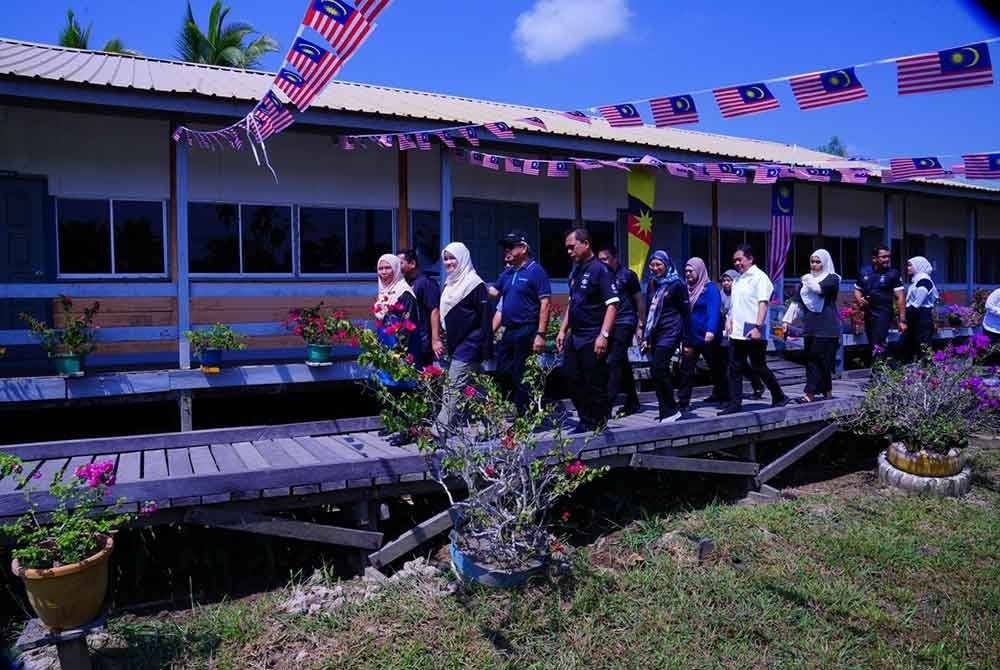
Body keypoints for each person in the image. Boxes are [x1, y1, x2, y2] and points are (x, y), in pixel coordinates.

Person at [556, 228, 619, 432]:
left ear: (585, 244)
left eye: (572, 247)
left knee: (594, 381)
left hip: (593, 334)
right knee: (571, 376)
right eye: (567, 248)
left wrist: (604, 335)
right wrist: (562, 330)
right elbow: (572, 303)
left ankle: (598, 422)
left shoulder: (601, 270)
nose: (569, 252)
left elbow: (612, 305)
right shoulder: (576, 271)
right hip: (576, 335)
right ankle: (586, 419)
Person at [720, 244, 788, 415]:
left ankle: (779, 395)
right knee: (734, 367)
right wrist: (729, 320)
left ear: (750, 259)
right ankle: (735, 403)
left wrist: (758, 327)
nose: (737, 263)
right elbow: (734, 305)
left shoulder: (760, 277)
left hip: (753, 329)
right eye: (734, 260)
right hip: (737, 331)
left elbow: (763, 304)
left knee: (759, 366)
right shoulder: (737, 279)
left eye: (740, 259)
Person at [436, 242, 493, 430]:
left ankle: (439, 430)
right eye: (445, 258)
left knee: (453, 386)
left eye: (452, 257)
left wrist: (486, 348)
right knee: (477, 388)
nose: (449, 262)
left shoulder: (474, 284)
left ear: (463, 258)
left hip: (471, 344)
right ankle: (492, 425)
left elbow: (485, 318)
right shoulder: (450, 282)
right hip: (457, 342)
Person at [492, 231, 551, 409]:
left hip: (528, 329)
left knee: (521, 373)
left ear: (523, 248)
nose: (506, 251)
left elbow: (546, 304)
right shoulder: (508, 274)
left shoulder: (536, 271)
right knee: (502, 370)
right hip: (510, 330)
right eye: (505, 247)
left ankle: (524, 414)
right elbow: (493, 293)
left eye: (510, 247)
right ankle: (513, 407)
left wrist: (540, 334)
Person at [783, 249, 841, 403]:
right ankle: (818, 393)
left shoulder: (832, 278)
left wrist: (807, 279)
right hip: (811, 326)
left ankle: (816, 392)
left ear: (825, 263)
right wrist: (786, 321)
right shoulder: (806, 282)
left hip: (828, 326)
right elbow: (796, 303)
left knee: (823, 361)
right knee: (811, 359)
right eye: (812, 261)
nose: (814, 265)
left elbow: (819, 290)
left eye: (818, 262)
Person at [640, 250, 690, 422]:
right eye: (652, 265)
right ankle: (665, 410)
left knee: (659, 368)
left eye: (658, 264)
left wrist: (687, 339)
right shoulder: (652, 284)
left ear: (667, 265)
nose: (655, 268)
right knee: (656, 371)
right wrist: (646, 337)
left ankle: (671, 409)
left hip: (672, 331)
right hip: (656, 333)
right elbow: (649, 312)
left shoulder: (677, 285)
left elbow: (685, 313)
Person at [598, 245, 644, 416]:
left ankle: (607, 406)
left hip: (625, 321)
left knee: (613, 361)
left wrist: (641, 324)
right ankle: (633, 401)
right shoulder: (601, 275)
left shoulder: (628, 275)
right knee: (621, 363)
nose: (602, 262)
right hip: (609, 323)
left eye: (605, 259)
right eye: (599, 259)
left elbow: (639, 300)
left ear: (615, 258)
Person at [712, 269, 764, 403]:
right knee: (728, 363)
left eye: (729, 280)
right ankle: (723, 392)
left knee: (737, 363)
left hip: (740, 332)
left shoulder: (740, 294)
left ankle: (755, 385)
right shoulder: (721, 294)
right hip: (725, 331)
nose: (726, 283)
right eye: (723, 280)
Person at [676, 257, 721, 411]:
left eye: (691, 271)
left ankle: (723, 393)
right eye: (686, 271)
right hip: (690, 335)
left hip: (707, 337)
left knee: (716, 367)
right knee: (686, 369)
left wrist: (711, 330)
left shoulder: (710, 289)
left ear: (700, 270)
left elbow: (713, 311)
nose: (688, 274)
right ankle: (683, 401)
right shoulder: (684, 289)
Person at [853, 245, 906, 359]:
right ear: (874, 259)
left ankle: (878, 372)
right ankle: (882, 369)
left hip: (883, 313)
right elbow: (857, 290)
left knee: (879, 341)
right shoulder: (864, 272)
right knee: (872, 342)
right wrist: (859, 299)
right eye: (883, 257)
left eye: (888, 257)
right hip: (868, 313)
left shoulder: (893, 274)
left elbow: (900, 297)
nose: (887, 259)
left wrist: (902, 320)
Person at [374, 253, 422, 365]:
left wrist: (400, 353)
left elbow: (409, 325)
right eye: (380, 268)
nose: (383, 272)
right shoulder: (385, 292)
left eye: (388, 267)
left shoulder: (404, 293)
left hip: (400, 350)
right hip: (385, 346)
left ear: (396, 269)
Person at [399, 248, 442, 366]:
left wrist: (435, 340)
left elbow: (435, 310)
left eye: (400, 263)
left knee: (425, 378)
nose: (397, 267)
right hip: (410, 341)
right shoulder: (406, 283)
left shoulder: (426, 283)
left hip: (423, 341)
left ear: (412, 264)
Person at [900, 256, 938, 363]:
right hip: (916, 317)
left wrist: (903, 317)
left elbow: (917, 303)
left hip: (921, 317)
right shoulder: (917, 280)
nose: (907, 267)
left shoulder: (924, 281)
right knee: (912, 346)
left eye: (910, 265)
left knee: (924, 348)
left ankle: (928, 373)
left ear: (919, 266)